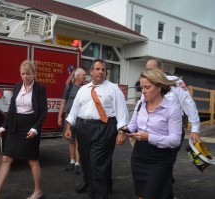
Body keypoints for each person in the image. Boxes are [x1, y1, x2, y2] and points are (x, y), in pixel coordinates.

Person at [0, 60, 47, 199]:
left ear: (34, 74)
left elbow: (42, 112)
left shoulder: (40, 89)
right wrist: (3, 126)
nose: (25, 76)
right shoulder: (17, 87)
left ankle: (38, 191)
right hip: (15, 126)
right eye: (22, 74)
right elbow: (11, 110)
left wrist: (35, 128)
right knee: (6, 158)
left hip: (31, 127)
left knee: (32, 160)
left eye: (28, 73)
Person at [65, 58, 129, 199]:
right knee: (87, 160)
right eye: (97, 69)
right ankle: (89, 183)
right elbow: (74, 110)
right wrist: (69, 126)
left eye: (103, 69)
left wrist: (122, 133)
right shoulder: (83, 90)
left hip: (104, 128)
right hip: (83, 128)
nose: (100, 72)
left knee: (97, 164)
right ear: (91, 72)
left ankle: (99, 194)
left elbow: (122, 113)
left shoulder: (113, 89)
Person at [125, 68, 183, 199]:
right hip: (139, 155)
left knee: (153, 194)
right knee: (141, 194)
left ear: (159, 86)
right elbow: (133, 125)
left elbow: (175, 140)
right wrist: (124, 131)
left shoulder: (172, 109)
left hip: (160, 159)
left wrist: (149, 137)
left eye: (147, 87)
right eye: (141, 87)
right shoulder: (140, 103)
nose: (143, 91)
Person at [146, 58, 201, 144]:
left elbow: (188, 104)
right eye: (147, 70)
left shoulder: (174, 82)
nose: (148, 73)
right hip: (151, 131)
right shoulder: (147, 85)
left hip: (171, 130)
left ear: (160, 69)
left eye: (151, 70)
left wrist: (195, 129)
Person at [58, 68, 87, 174]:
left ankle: (77, 164)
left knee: (78, 141)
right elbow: (63, 102)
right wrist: (59, 116)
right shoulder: (69, 87)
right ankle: (72, 161)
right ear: (77, 76)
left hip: (80, 118)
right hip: (69, 118)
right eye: (83, 75)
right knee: (71, 141)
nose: (85, 77)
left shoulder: (85, 88)